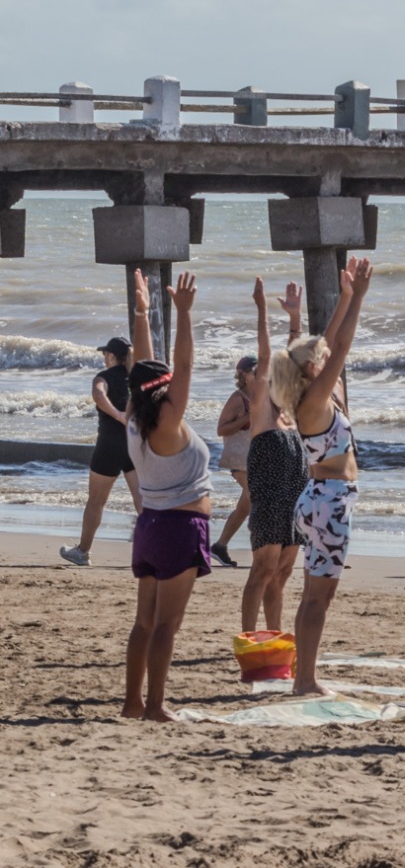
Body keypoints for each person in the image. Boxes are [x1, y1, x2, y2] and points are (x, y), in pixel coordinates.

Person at [269, 255, 373, 695]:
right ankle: (305, 680)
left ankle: (303, 676)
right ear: (312, 368)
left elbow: (325, 343)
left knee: (315, 594)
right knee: (318, 597)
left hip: (323, 497)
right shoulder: (312, 400)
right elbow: (340, 348)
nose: (325, 356)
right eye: (319, 358)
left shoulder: (309, 391)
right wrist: (360, 299)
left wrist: (345, 297)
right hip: (328, 500)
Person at [122, 270, 212, 722]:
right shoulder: (169, 422)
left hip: (151, 528)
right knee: (166, 625)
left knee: (144, 622)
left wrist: (142, 313)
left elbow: (146, 363)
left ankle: (132, 703)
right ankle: (156, 706)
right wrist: (184, 315)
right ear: (166, 390)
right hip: (179, 528)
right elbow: (185, 365)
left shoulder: (135, 419)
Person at [240, 279, 310, 633]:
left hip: (296, 499)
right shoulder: (262, 411)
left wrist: (295, 319)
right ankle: (251, 636)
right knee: (263, 569)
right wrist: (263, 308)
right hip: (269, 499)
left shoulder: (292, 413)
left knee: (282, 573)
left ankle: (274, 634)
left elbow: (294, 362)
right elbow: (268, 357)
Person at [61, 335, 142, 566]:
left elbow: (98, 395)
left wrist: (117, 415)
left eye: (105, 354)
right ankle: (158, 549)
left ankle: (82, 552)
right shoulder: (136, 379)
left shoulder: (104, 377)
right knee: (142, 500)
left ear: (111, 356)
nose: (104, 358)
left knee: (96, 501)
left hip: (109, 446)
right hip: (134, 445)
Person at [208, 355, 256, 568]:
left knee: (245, 505)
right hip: (238, 458)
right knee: (256, 499)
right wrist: (247, 418)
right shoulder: (238, 398)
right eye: (254, 371)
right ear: (243, 375)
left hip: (259, 458)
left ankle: (219, 546)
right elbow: (221, 429)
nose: (259, 375)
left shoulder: (265, 396)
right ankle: (264, 549)